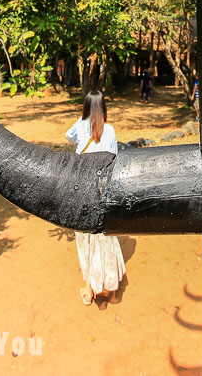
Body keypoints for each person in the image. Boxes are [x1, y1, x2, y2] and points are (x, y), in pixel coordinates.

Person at [66, 90, 126, 306]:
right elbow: (115, 158)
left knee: (84, 240)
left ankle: (89, 288)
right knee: (105, 236)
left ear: (86, 107)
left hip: (80, 190)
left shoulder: (80, 125)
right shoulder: (110, 130)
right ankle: (111, 284)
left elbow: (68, 137)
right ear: (103, 108)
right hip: (102, 191)